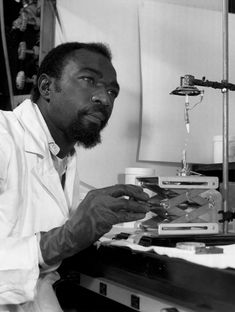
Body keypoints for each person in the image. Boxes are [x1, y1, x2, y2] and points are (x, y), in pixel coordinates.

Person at [0, 42, 150, 312]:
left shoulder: (63, 158)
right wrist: (62, 239)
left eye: (112, 92)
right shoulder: (3, 137)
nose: (104, 98)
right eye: (88, 80)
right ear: (46, 87)